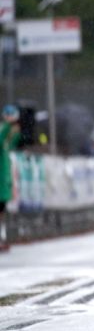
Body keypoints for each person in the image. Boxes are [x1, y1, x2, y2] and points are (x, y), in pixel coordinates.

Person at [1, 105, 22, 250]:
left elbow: (12, 143)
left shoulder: (7, 145)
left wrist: (15, 132)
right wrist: (8, 125)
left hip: (4, 181)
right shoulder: (2, 131)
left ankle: (2, 237)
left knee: (2, 211)